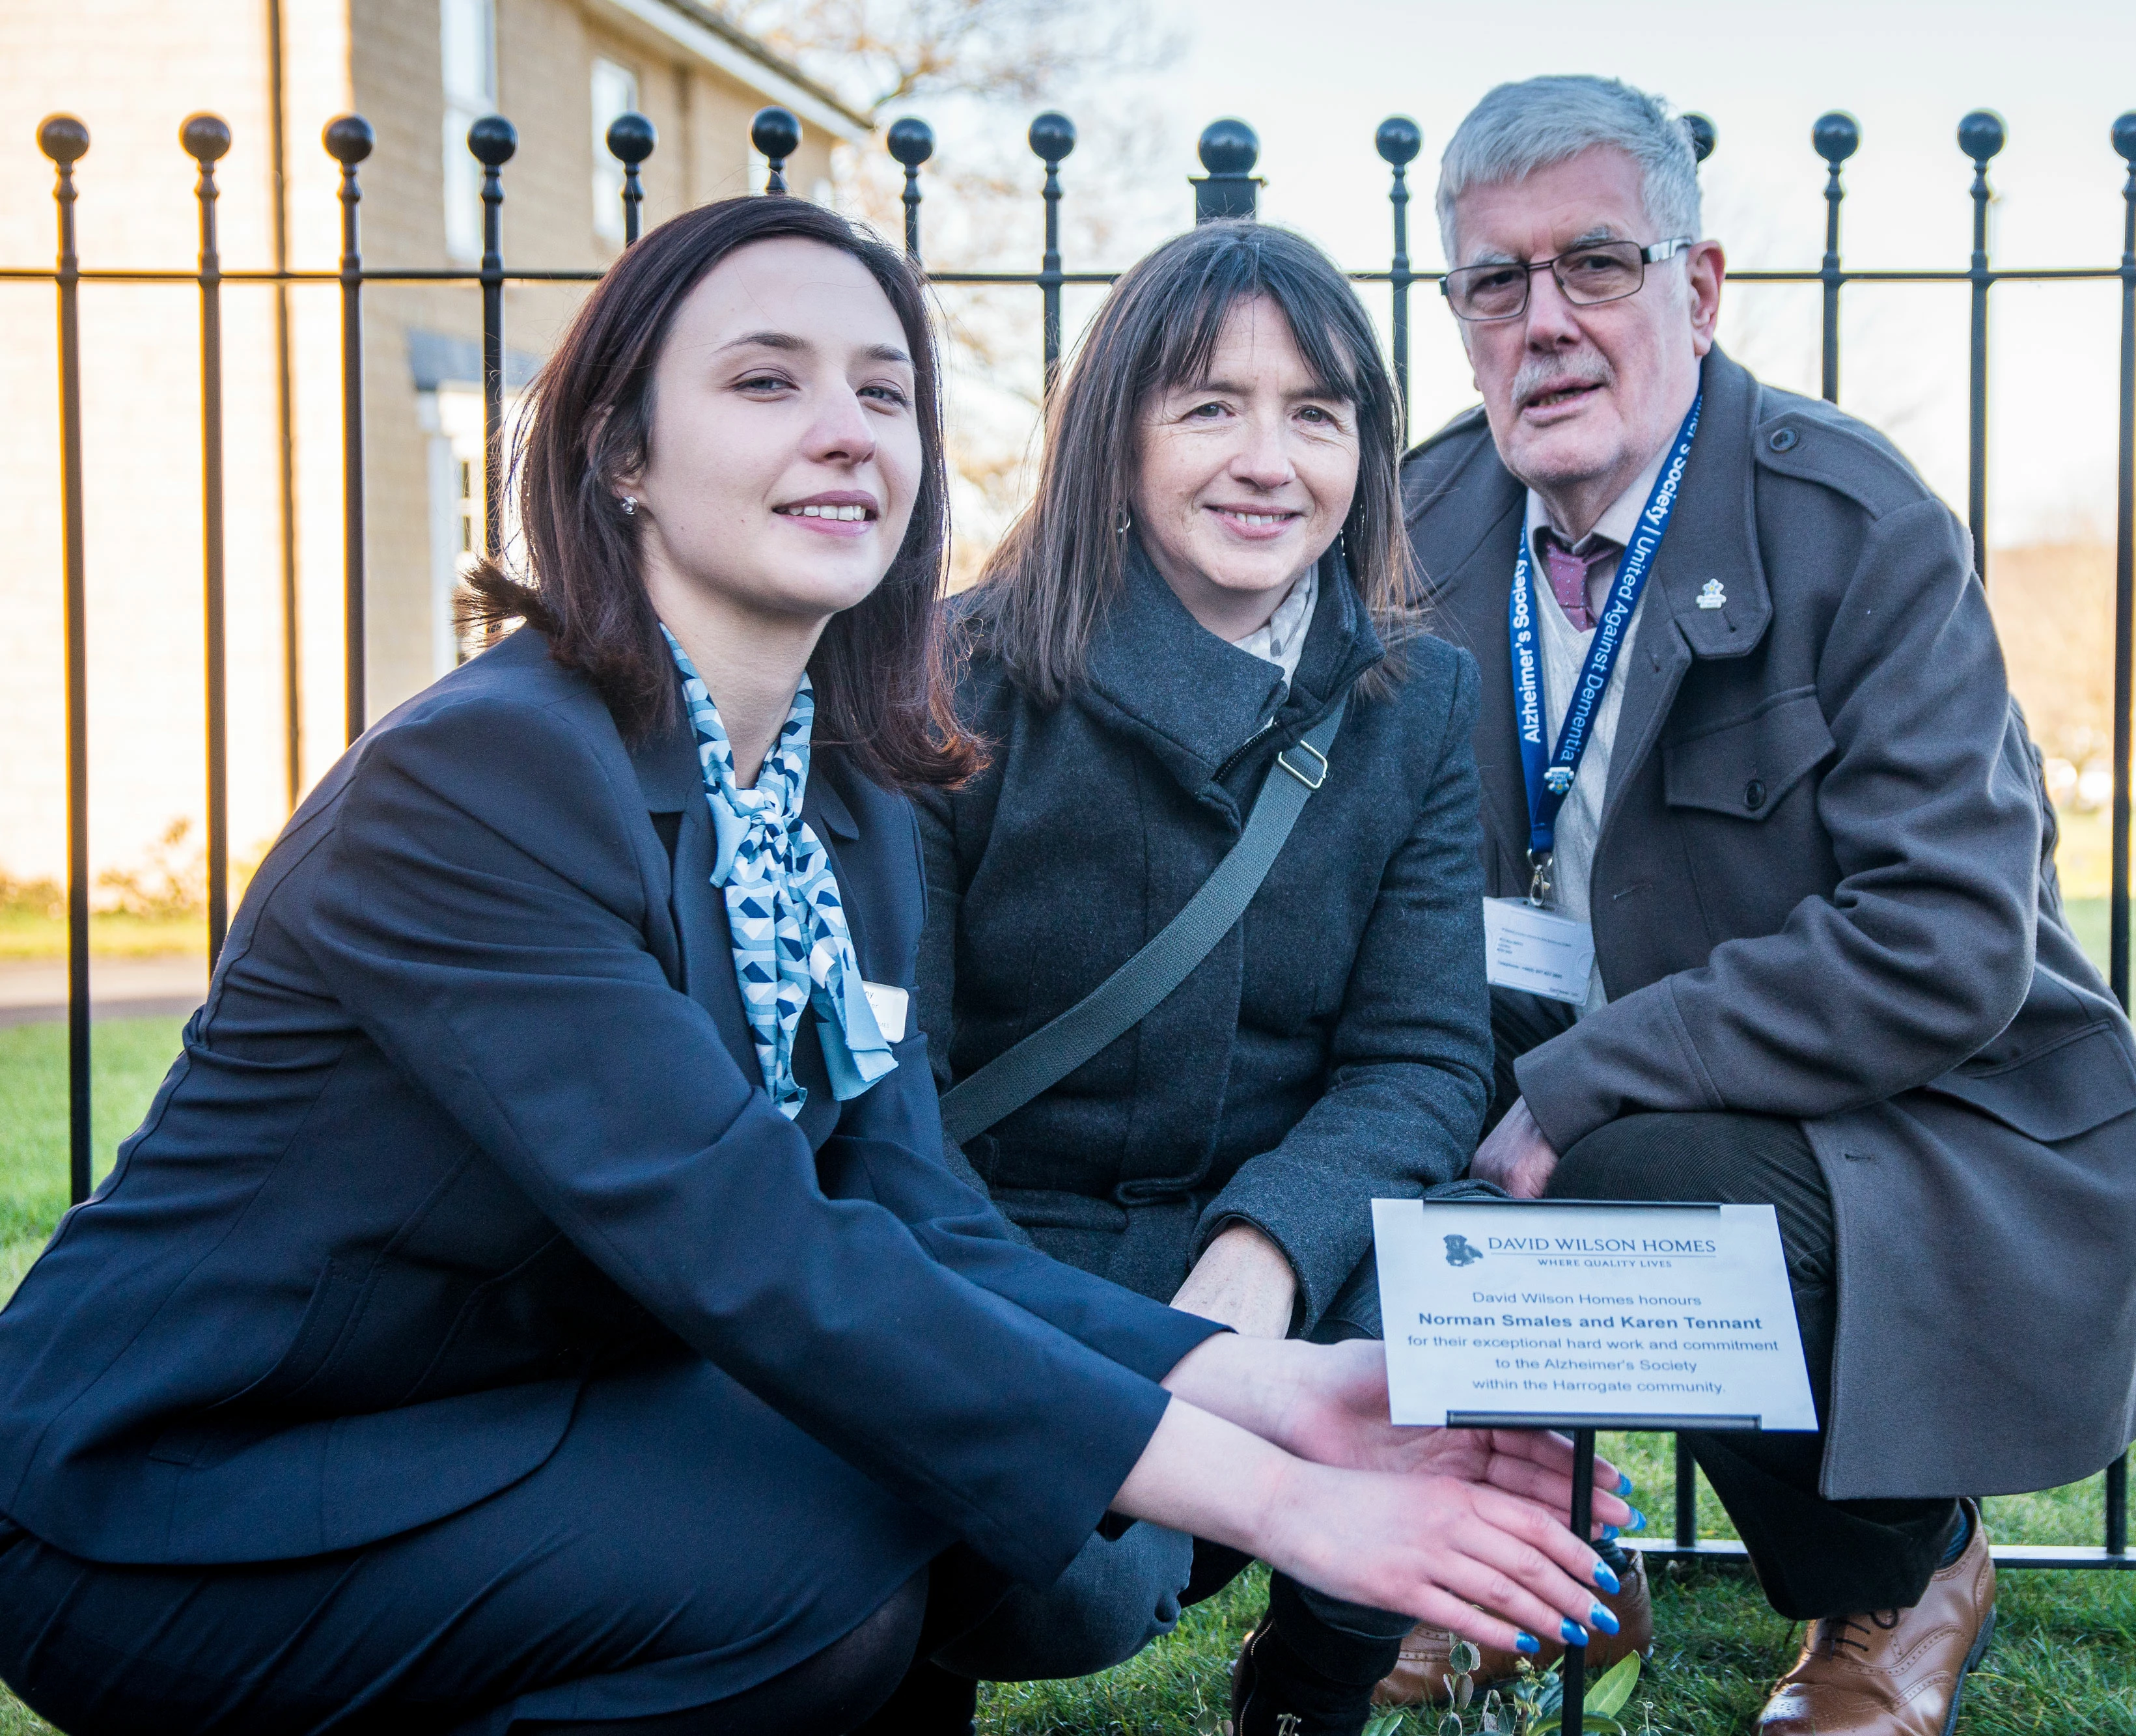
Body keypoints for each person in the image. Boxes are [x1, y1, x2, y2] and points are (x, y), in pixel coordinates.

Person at [0, 195, 1629, 1736]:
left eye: (883, 389)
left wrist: (1274, 1391)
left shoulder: (834, 782)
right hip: (186, 1490)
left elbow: (904, 1210)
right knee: (829, 1542)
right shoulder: (480, 782)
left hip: (509, 1412)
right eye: (764, 381)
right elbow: (756, 1244)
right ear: (621, 452)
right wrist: (1286, 1502)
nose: (845, 427)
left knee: (866, 1515)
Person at [1398, 76, 2136, 1736]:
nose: (1542, 323)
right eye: (1491, 282)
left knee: (1638, 1172)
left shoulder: (1851, 522)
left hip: (1912, 1115)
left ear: (1699, 284)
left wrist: (1583, 1076)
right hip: (1547, 1039)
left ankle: (1893, 1567)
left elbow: (1949, 939)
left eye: (1594, 264)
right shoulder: (1419, 516)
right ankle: (1532, 1556)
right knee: (1372, 1098)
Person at [902, 219, 1616, 1736]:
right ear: (1115, 436)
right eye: (1207, 406)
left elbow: (1421, 1058)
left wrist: (1267, 1249)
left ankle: (1310, 1690)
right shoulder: (947, 679)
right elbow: (887, 1106)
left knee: (1452, 1309)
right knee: (1058, 1586)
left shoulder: (1414, 698)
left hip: (1274, 1239)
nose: (1265, 460)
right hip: (998, 1254)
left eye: (1314, 412)